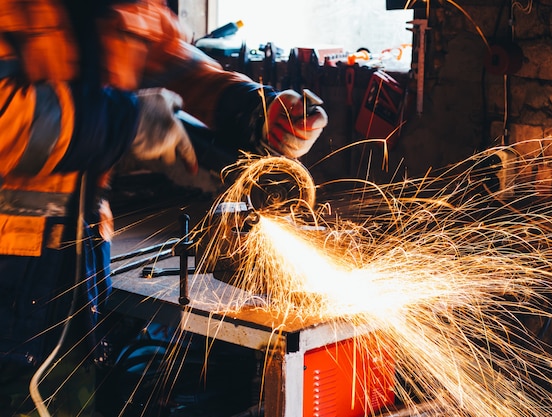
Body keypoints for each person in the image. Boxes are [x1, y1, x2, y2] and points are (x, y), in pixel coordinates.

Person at [0, 1, 328, 416]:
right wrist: (127, 123)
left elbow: (173, 60)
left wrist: (254, 111)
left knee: (68, 397)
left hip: (82, 254)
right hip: (12, 261)